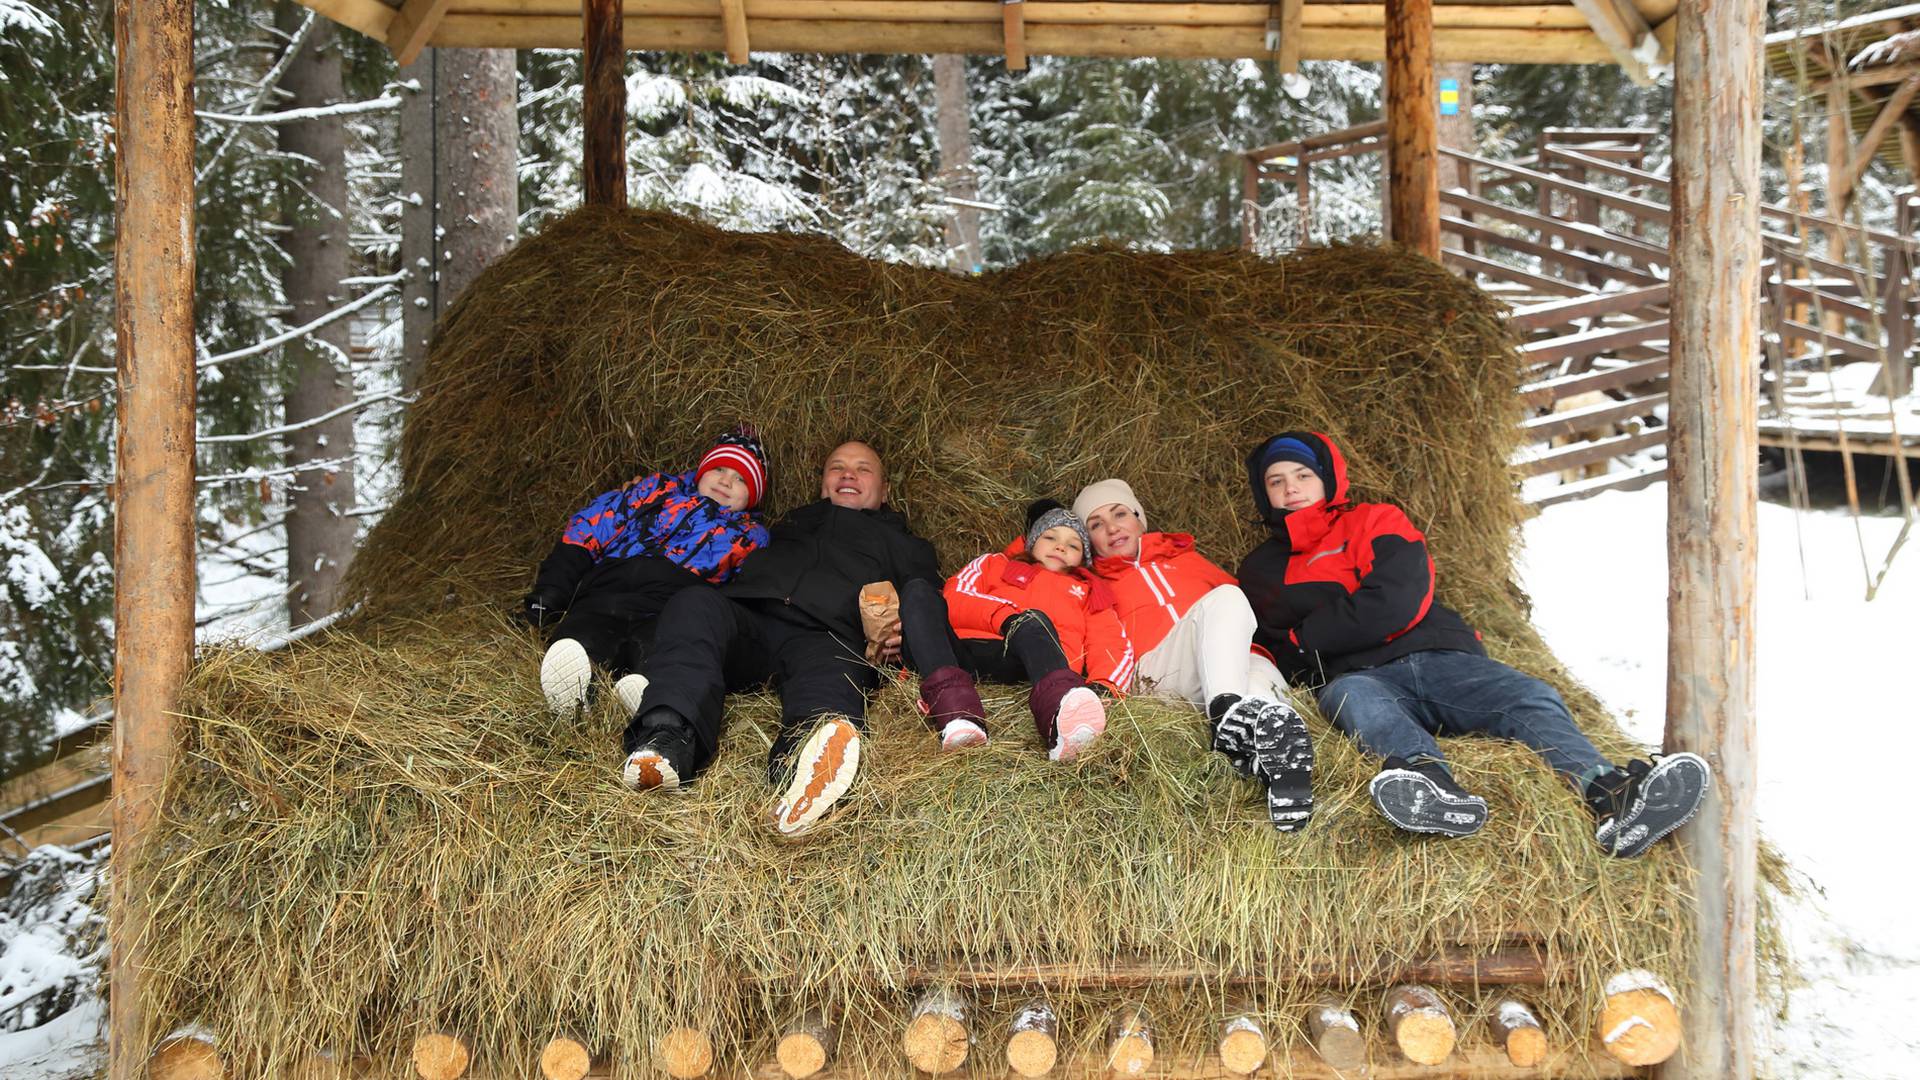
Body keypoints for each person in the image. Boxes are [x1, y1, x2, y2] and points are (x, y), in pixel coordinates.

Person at [1236, 431, 1711, 858]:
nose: (1291, 488)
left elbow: (1397, 601)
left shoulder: (1375, 520)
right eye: (1276, 481)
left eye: (1302, 474)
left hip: (1437, 656)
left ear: (1328, 479)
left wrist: (1312, 632)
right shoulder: (1260, 569)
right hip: (1359, 678)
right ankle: (1430, 786)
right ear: (1264, 493)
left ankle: (1611, 794)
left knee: (1528, 696)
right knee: (1350, 701)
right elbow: (1280, 644)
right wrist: (1328, 628)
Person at [619, 440, 942, 838]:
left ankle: (801, 774)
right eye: (836, 467)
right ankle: (665, 740)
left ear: (886, 490)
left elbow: (927, 605)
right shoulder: (786, 522)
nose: (847, 475)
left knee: (829, 689)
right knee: (695, 604)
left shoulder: (909, 546)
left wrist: (901, 636)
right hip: (752, 618)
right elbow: (705, 506)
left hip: (828, 634)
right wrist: (643, 491)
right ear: (823, 484)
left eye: (862, 469)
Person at [1071, 479, 1314, 832]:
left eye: (1119, 513)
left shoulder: (1189, 560)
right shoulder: (1093, 585)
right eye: (1095, 524)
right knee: (1227, 599)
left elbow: (1250, 612)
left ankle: (1275, 772)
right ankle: (1227, 713)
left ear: (1140, 518)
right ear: (1088, 542)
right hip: (1161, 673)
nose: (1111, 527)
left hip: (1229, 665)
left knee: (1263, 684)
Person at [522, 428, 770, 719]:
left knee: (660, 654)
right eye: (719, 468)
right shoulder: (657, 489)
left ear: (753, 496)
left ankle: (644, 695)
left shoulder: (751, 537)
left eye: (741, 479)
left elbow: (745, 593)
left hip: (669, 608)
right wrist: (553, 588)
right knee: (579, 638)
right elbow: (592, 525)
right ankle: (576, 693)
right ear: (702, 470)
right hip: (609, 590)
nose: (726, 481)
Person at [895, 499, 1126, 761]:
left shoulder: (1088, 592)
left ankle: (1062, 719)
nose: (1061, 546)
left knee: (1035, 622)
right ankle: (957, 713)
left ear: (1083, 558)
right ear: (1032, 541)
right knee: (917, 591)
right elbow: (956, 597)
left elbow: (1109, 640)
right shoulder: (996, 565)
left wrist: (1105, 685)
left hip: (1026, 664)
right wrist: (1008, 617)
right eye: (1050, 536)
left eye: (1073, 545)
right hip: (957, 651)